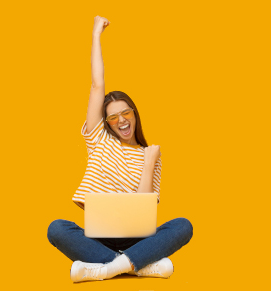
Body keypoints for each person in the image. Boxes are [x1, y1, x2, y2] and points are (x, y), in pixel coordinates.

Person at [47, 15, 193, 283]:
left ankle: (105, 269)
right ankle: (138, 264)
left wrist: (149, 163)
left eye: (125, 113)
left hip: (138, 237)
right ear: (107, 123)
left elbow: (143, 208)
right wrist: (95, 35)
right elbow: (96, 86)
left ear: (135, 114)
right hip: (98, 238)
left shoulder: (150, 154)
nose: (121, 120)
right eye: (113, 117)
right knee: (57, 229)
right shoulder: (99, 139)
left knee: (183, 226)